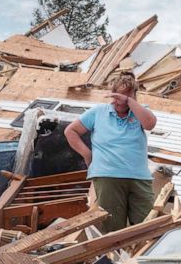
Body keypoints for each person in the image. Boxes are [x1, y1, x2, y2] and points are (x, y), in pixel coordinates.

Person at [64, 73, 158, 233]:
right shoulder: (99, 112)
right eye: (118, 95)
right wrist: (87, 154)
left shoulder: (140, 112)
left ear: (134, 96)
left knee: (147, 227)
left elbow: (150, 124)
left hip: (139, 177)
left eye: (127, 96)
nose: (120, 101)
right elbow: (70, 131)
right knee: (112, 228)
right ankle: (113, 258)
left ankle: (139, 256)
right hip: (108, 176)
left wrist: (129, 102)